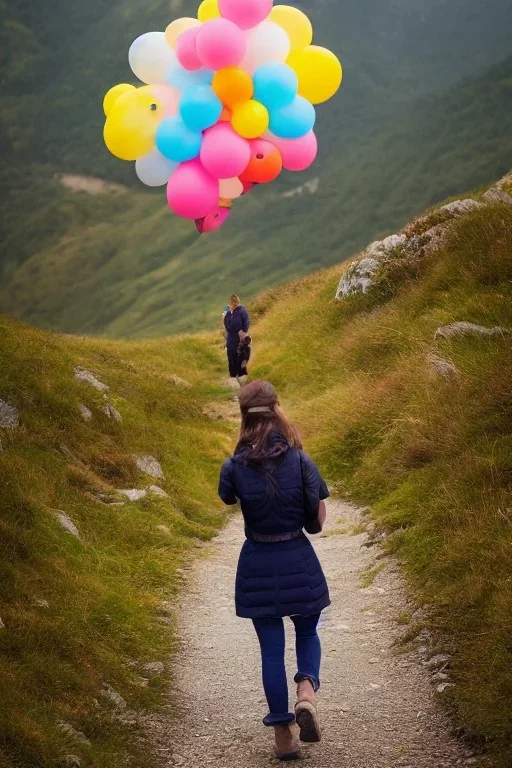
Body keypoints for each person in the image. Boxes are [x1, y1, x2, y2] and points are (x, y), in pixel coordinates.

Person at [218, 381, 330, 761]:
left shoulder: (233, 465)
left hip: (257, 562)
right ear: (277, 409)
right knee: (308, 631)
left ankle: (283, 735)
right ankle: (306, 693)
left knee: (270, 651)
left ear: (244, 415)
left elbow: (227, 496)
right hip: (298, 558)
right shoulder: (300, 460)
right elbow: (317, 519)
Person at [224, 295, 250, 383]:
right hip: (235, 338)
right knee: (234, 356)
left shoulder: (239, 311)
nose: (231, 304)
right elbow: (246, 326)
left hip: (236, 338)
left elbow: (244, 323)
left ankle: (238, 377)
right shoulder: (231, 312)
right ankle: (236, 377)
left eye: (232, 302)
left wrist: (243, 332)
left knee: (237, 356)